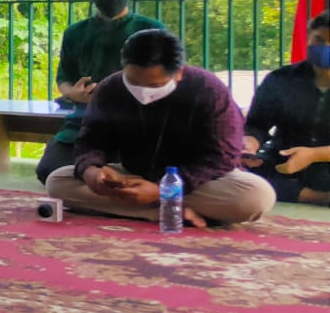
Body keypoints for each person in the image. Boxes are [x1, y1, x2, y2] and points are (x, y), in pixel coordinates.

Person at [45, 29, 276, 227]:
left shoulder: (209, 90)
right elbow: (90, 140)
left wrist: (160, 190)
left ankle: (158, 206)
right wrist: (92, 170)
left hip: (198, 183)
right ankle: (165, 213)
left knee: (256, 197)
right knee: (58, 182)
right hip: (134, 177)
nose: (143, 91)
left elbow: (221, 158)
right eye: (133, 82)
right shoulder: (111, 88)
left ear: (179, 72)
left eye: (154, 85)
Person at [35, 0, 166, 183]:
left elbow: (166, 78)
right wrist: (72, 94)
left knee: (150, 170)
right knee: (49, 171)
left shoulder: (152, 30)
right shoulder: (75, 32)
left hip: (138, 123)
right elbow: (64, 77)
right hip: (85, 122)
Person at [243, 11, 330, 205]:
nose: (325, 47)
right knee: (236, 174)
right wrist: (250, 144)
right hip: (283, 166)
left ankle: (303, 195)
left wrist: (314, 155)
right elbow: (257, 124)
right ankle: (314, 197)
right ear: (308, 38)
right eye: (319, 39)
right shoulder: (281, 79)